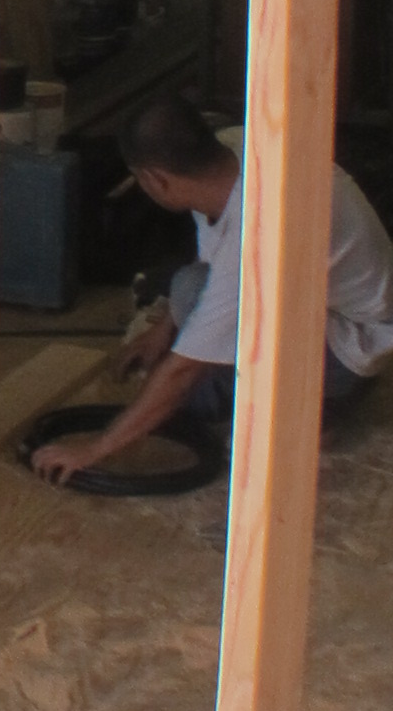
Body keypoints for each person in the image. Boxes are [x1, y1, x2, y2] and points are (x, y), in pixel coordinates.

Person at [31, 92, 393, 484]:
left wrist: (94, 449)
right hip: (320, 306)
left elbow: (184, 371)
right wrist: (162, 329)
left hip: (351, 344)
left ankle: (319, 408)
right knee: (188, 287)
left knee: (194, 402)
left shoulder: (257, 230)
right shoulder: (237, 151)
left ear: (155, 179)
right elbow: (214, 264)